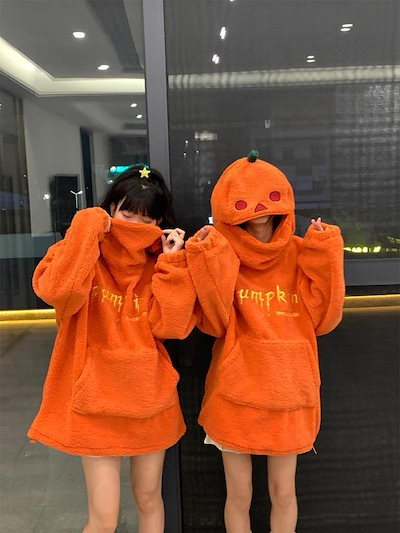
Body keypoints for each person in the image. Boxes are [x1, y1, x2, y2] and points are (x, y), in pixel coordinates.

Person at [28, 165, 197, 533]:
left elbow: (171, 327)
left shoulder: (159, 263)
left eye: (147, 219)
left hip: (149, 398)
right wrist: (86, 229)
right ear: (109, 210)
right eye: (127, 215)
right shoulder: (82, 252)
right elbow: (57, 292)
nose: (136, 226)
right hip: (95, 402)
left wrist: (171, 263)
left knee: (149, 499)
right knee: (104, 518)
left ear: (159, 222)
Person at [185, 151, 345, 533]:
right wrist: (208, 259)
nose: (258, 209)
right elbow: (214, 321)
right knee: (238, 494)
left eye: (268, 198)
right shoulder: (223, 254)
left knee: (283, 491)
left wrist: (326, 253)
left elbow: (325, 317)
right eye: (243, 202)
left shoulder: (301, 253)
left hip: (289, 392)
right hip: (234, 393)